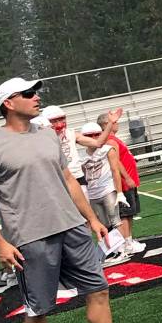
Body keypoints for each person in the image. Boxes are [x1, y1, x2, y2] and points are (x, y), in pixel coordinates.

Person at [0, 77, 148, 323]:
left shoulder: (48, 135)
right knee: (38, 308)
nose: (36, 97)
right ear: (8, 103)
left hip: (73, 228)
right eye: (28, 93)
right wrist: (0, 243)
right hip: (30, 238)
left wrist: (91, 219)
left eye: (35, 91)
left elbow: (68, 180)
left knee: (99, 290)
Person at [78, 122, 128, 266]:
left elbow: (114, 170)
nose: (93, 138)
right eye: (89, 135)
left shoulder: (107, 149)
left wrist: (119, 192)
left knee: (115, 220)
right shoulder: (81, 155)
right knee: (103, 224)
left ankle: (122, 249)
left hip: (107, 189)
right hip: (92, 193)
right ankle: (112, 250)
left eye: (96, 135)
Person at [97, 111, 146, 255]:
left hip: (127, 181)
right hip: (123, 183)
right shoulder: (110, 140)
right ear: (107, 124)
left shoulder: (113, 138)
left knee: (129, 214)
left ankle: (129, 240)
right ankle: (126, 243)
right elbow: (116, 162)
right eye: (115, 122)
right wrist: (127, 178)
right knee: (124, 215)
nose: (117, 124)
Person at [41, 105, 121, 186]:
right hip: (58, 180)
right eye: (54, 121)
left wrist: (110, 123)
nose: (59, 124)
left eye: (61, 119)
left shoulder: (71, 134)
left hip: (77, 177)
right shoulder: (42, 138)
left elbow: (98, 143)